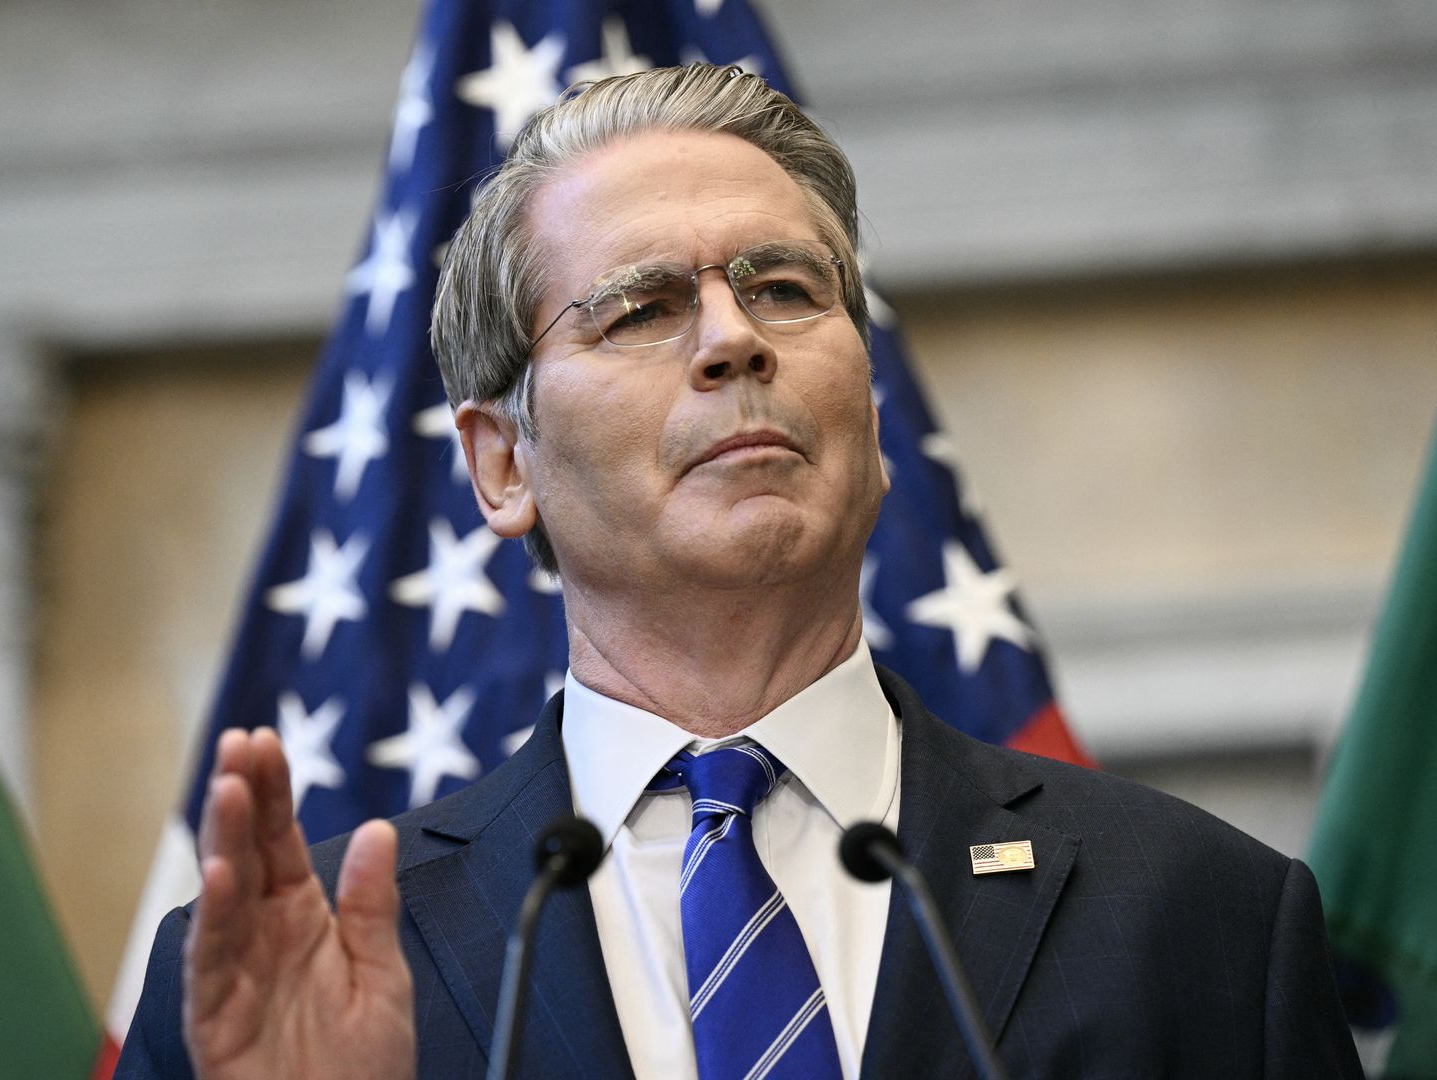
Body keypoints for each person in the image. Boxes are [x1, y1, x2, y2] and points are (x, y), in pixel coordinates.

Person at [114, 64, 1364, 1079]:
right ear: (502, 464)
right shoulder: (292, 975)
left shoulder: (1204, 918)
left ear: (874, 422)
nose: (733, 340)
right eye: (641, 310)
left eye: (783, 289)